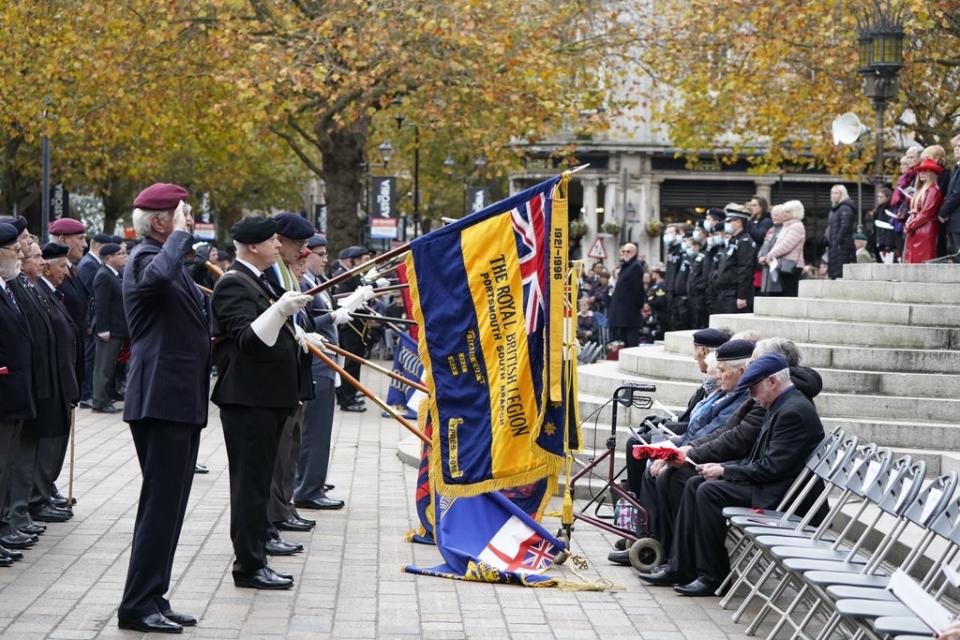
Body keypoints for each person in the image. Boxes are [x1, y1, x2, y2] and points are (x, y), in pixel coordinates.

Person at [639, 352, 824, 596]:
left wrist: (726, 470)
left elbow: (771, 467)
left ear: (772, 382)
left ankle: (713, 576)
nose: (751, 395)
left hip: (782, 493)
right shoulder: (780, 403)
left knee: (707, 490)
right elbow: (756, 455)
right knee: (697, 483)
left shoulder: (792, 411)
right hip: (774, 482)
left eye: (754, 388)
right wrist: (720, 468)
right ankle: (681, 566)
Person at [117, 184, 212, 633]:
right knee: (159, 506)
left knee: (171, 507)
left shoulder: (166, 261)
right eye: (182, 214)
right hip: (161, 400)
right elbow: (155, 279)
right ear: (160, 222)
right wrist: (177, 237)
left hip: (179, 399)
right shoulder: (141, 260)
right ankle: (137, 604)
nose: (189, 220)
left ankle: (154, 593)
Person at [211, 216, 313, 591]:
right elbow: (248, 341)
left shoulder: (258, 279)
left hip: (267, 399)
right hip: (248, 401)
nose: (279, 245)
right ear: (253, 246)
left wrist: (297, 334)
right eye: (272, 240)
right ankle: (250, 564)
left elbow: (273, 334)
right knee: (250, 486)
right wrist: (281, 311)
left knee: (258, 482)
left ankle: (257, 555)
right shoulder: (233, 284)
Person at [4, 241, 78, 545]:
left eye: (29, 253)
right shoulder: (19, 288)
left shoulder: (28, 289)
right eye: (19, 250)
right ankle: (15, 516)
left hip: (36, 386)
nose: (23, 256)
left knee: (20, 456)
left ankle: (19, 514)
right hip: (17, 389)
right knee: (13, 459)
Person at [263, 212, 322, 545]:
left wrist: (303, 332)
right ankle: (275, 512)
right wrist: (297, 331)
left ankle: (284, 507)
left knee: (290, 446)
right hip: (273, 374)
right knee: (277, 450)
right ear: (279, 240)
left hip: (293, 370)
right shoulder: (272, 271)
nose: (303, 252)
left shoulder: (285, 270)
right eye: (298, 244)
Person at [294, 234, 351, 511]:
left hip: (326, 361)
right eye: (321, 254)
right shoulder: (304, 284)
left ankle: (309, 480)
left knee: (316, 431)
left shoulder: (317, 283)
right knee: (315, 433)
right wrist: (332, 316)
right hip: (316, 362)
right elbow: (305, 322)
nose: (325, 259)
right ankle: (308, 488)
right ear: (306, 256)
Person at [32, 243, 81, 522]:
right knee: (45, 444)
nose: (66, 271)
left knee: (56, 442)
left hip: (63, 379)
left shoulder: (51, 293)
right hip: (50, 382)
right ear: (47, 266)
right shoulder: (38, 292)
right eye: (61, 266)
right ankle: (37, 497)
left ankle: (44, 490)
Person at [0, 223, 35, 568]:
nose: (21, 253)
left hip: (13, 395)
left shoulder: (8, 288)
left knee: (6, 466)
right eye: (14, 249)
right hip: (3, 393)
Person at [333, 245, 373, 411]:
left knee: (354, 363)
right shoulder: (349, 276)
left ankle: (349, 393)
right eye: (365, 260)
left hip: (357, 325)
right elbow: (343, 300)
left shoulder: (357, 275)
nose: (368, 262)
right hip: (350, 326)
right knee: (351, 363)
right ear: (354, 261)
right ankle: (347, 399)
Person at [91, 243, 128, 413]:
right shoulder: (104, 275)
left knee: (110, 366)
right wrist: (103, 329)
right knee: (103, 367)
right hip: (108, 330)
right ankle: (99, 401)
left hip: (117, 328)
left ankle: (105, 398)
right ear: (108, 258)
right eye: (119, 254)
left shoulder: (115, 274)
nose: (123, 256)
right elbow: (101, 305)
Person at [76, 233, 111, 407]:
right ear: (97, 245)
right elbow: (92, 295)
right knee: (89, 357)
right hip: (89, 319)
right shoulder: (89, 264)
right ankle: (86, 394)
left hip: (92, 318)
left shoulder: (94, 263)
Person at [710, 205, 756, 314]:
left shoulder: (745, 241)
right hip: (724, 291)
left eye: (729, 221)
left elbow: (745, 269)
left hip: (734, 292)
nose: (726, 225)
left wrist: (742, 295)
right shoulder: (733, 240)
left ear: (738, 222)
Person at [904, 158, 945, 263]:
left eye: (926, 171)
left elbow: (926, 213)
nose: (921, 173)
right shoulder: (922, 190)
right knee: (913, 259)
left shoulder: (933, 190)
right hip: (917, 229)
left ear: (932, 174)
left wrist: (910, 225)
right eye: (920, 171)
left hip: (925, 229)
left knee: (921, 259)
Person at [763, 200, 806, 297]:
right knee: (786, 291)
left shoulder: (797, 226)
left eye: (788, 212)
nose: (784, 214)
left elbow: (786, 245)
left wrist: (770, 254)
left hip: (792, 264)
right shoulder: (787, 226)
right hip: (784, 264)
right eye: (784, 211)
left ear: (796, 212)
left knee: (790, 292)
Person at [608, 242, 645, 347]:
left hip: (630, 312)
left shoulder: (635, 267)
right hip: (622, 312)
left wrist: (638, 306)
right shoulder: (625, 266)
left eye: (628, 251)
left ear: (634, 253)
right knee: (623, 340)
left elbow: (638, 289)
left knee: (631, 341)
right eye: (623, 251)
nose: (625, 253)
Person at [825, 185, 856, 279]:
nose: (833, 195)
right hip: (834, 245)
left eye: (836, 193)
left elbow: (845, 226)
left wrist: (837, 240)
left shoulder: (845, 208)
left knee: (840, 271)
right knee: (834, 271)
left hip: (842, 245)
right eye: (832, 193)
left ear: (842, 194)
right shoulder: (834, 210)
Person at [937, 133, 960, 254]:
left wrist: (943, 212)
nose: (956, 148)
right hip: (954, 221)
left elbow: (957, 194)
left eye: (959, 146)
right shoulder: (956, 168)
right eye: (955, 146)